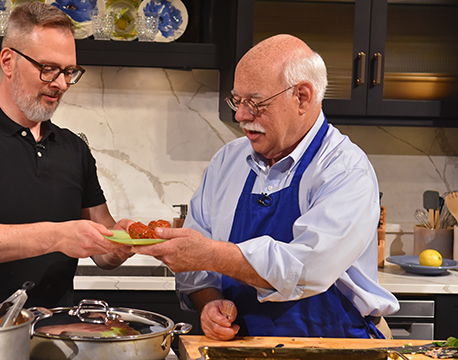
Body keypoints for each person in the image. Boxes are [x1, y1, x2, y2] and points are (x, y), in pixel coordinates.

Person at [134, 34, 399, 340]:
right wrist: (209, 304)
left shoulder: (345, 169)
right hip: (242, 346)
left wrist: (210, 255)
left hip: (334, 345)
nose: (240, 115)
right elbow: (197, 266)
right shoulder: (226, 162)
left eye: (255, 103)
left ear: (302, 97)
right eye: (237, 100)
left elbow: (304, 269)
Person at [0, 2, 133, 308]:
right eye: (48, 68)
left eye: (69, 71)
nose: (60, 84)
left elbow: (102, 248)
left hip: (52, 335)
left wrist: (119, 243)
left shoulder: (74, 148)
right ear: (8, 61)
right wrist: (57, 236)